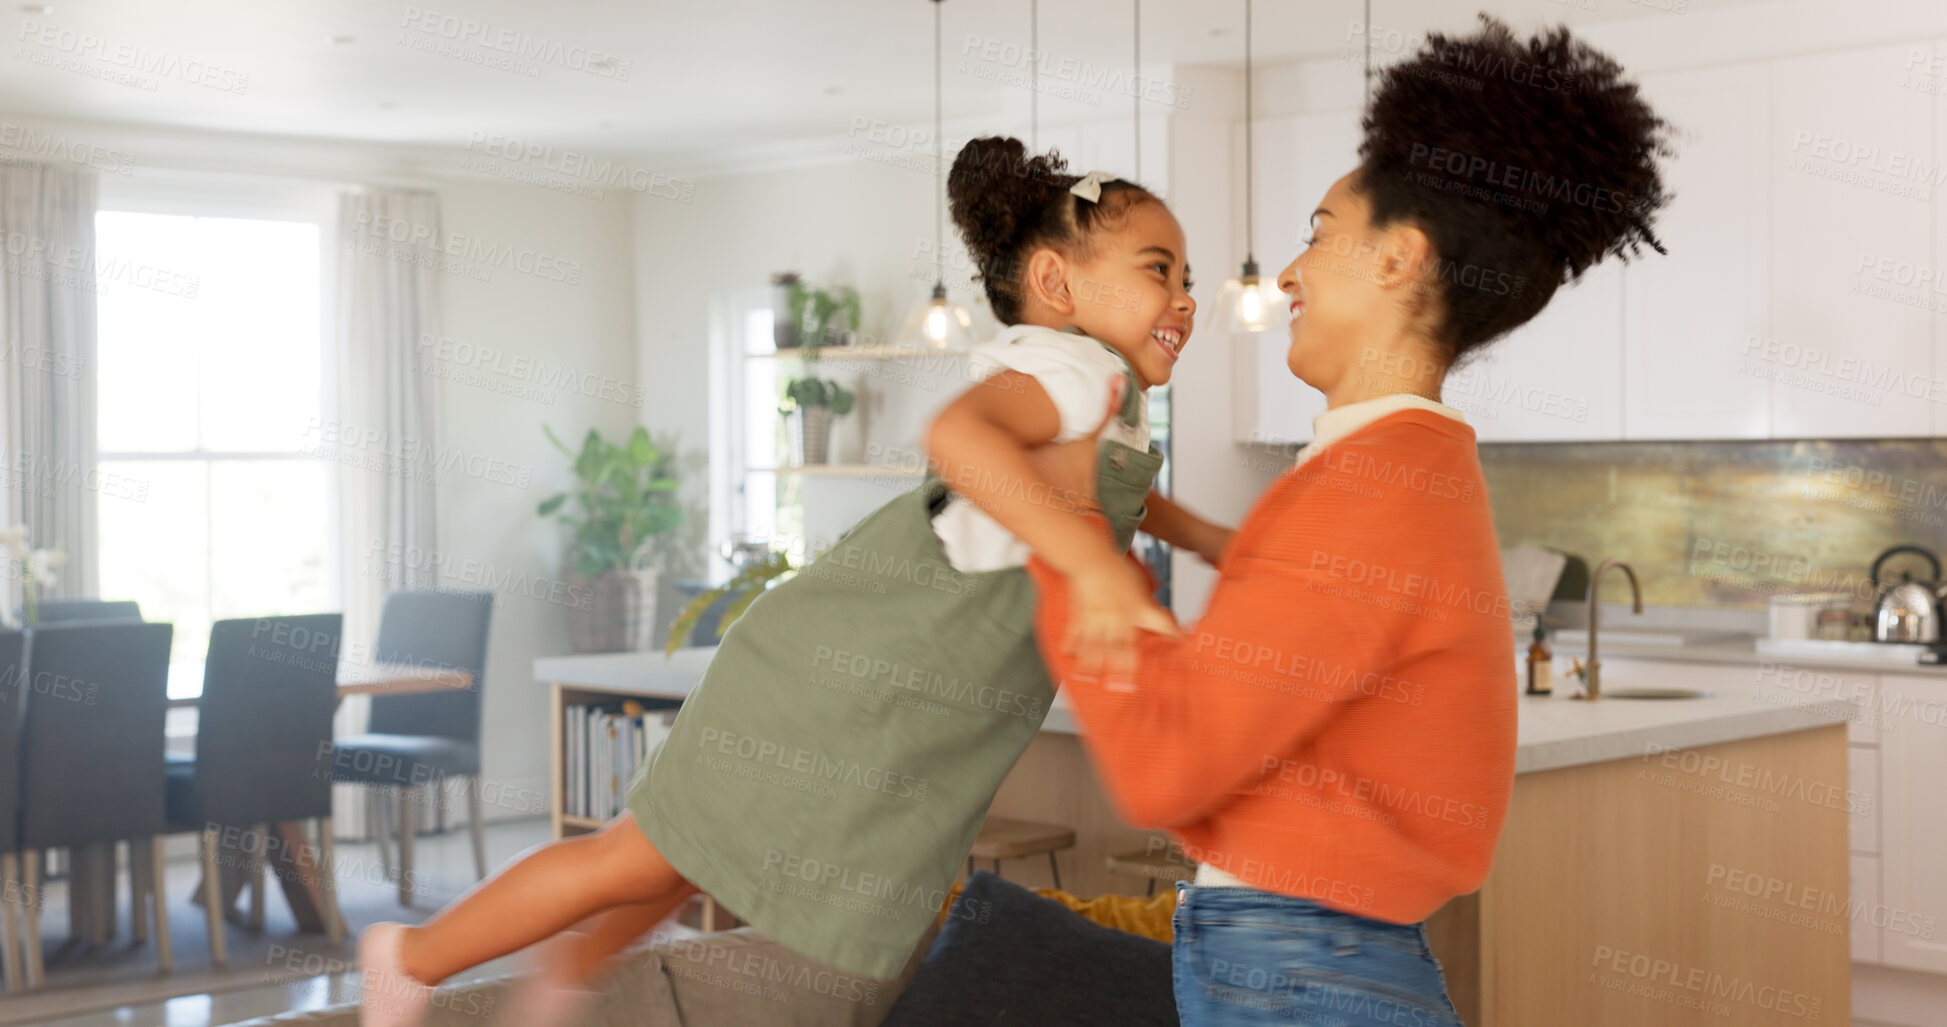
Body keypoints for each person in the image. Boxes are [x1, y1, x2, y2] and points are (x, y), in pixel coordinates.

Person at [356, 135, 1233, 1026]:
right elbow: (958, 439)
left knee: (686, 854)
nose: (1184, 296)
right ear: (1056, 284)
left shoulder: (1105, 399)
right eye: (1158, 269)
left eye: (1187, 274)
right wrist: (1092, 564)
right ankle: (412, 953)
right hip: (837, 676)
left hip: (870, 684)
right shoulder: (1075, 368)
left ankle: (559, 981)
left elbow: (1112, 488)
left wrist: (1200, 534)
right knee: (642, 856)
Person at [1024, 16, 1672, 1027]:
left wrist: (1058, 550)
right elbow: (1228, 741)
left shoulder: (1372, 489)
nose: (1287, 271)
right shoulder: (1404, 471)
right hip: (1316, 952)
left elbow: (1169, 765)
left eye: (1320, 231)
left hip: (1297, 965)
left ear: (1398, 260)